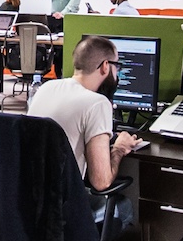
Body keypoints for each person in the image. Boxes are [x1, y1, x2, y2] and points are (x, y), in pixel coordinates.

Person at [28, 35, 144, 190]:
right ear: (105, 66)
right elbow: (101, 182)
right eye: (117, 66)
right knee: (125, 208)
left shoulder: (45, 88)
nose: (117, 73)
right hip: (65, 202)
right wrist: (119, 149)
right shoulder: (97, 103)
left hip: (30, 196)